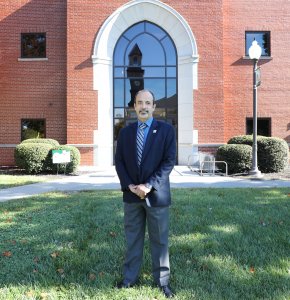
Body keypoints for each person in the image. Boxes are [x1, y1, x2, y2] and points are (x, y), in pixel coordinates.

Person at [115, 89, 176, 298]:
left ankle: (162, 282)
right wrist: (129, 185)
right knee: (133, 239)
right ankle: (129, 279)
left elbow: (169, 162)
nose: (143, 107)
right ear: (134, 106)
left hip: (156, 195)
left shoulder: (166, 130)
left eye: (147, 103)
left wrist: (149, 185)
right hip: (132, 195)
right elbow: (120, 162)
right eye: (139, 103)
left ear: (154, 107)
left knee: (159, 240)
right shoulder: (125, 133)